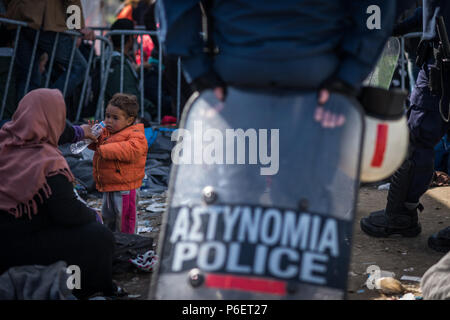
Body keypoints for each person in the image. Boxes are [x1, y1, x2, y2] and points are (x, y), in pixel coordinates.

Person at [157, 0, 400, 128]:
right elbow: (376, 9)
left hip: (237, 77)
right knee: (310, 197)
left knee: (236, 194)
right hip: (318, 80)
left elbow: (175, 7)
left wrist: (199, 72)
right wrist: (349, 75)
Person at [0, 88, 116, 299]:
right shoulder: (45, 161)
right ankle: (90, 289)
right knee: (99, 237)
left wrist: (80, 132)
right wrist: (94, 216)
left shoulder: (6, 141)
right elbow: (69, 214)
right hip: (20, 247)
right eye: (60, 117)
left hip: (5, 242)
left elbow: (60, 130)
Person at [360, 0, 450, 253]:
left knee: (415, 137)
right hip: (437, 55)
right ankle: (401, 213)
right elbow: (431, 11)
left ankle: (401, 215)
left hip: (441, 62)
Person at [4, 0, 95, 101]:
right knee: (79, 67)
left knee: (28, 77)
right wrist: (77, 27)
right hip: (45, 21)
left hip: (19, 20)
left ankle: (27, 112)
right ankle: (43, 104)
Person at [89, 93, 148, 234]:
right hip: (109, 185)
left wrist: (104, 149)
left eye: (115, 118)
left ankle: (129, 245)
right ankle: (112, 242)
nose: (109, 121)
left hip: (125, 188)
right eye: (107, 116)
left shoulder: (135, 135)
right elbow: (97, 147)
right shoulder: (107, 133)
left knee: (125, 220)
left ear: (129, 120)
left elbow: (131, 150)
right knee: (109, 217)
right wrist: (91, 138)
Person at [105, 18, 154, 120]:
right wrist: (152, 106)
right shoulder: (119, 65)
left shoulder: (112, 59)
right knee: (147, 117)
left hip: (118, 112)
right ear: (130, 39)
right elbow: (130, 97)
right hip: (123, 115)